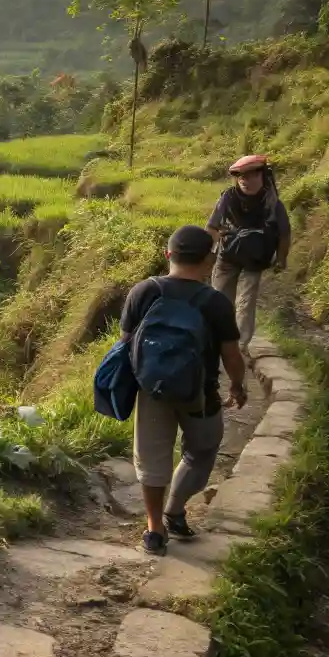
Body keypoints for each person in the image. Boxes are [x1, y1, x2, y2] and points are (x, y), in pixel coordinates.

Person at [120, 225, 249, 556]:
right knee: (202, 451)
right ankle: (175, 509)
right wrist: (237, 384)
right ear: (210, 259)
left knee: (151, 460)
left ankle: (154, 529)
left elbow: (125, 345)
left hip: (152, 391)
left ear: (168, 255)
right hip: (200, 394)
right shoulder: (216, 302)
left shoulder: (143, 291)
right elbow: (231, 354)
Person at [207, 154, 291, 347]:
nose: (245, 180)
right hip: (227, 258)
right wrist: (209, 253)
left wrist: (281, 259)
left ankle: (241, 345)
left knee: (246, 302)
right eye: (241, 177)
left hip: (255, 261)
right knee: (219, 299)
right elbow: (212, 227)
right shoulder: (228, 198)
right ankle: (217, 340)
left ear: (262, 176)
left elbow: (284, 234)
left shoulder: (273, 204)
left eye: (250, 176)